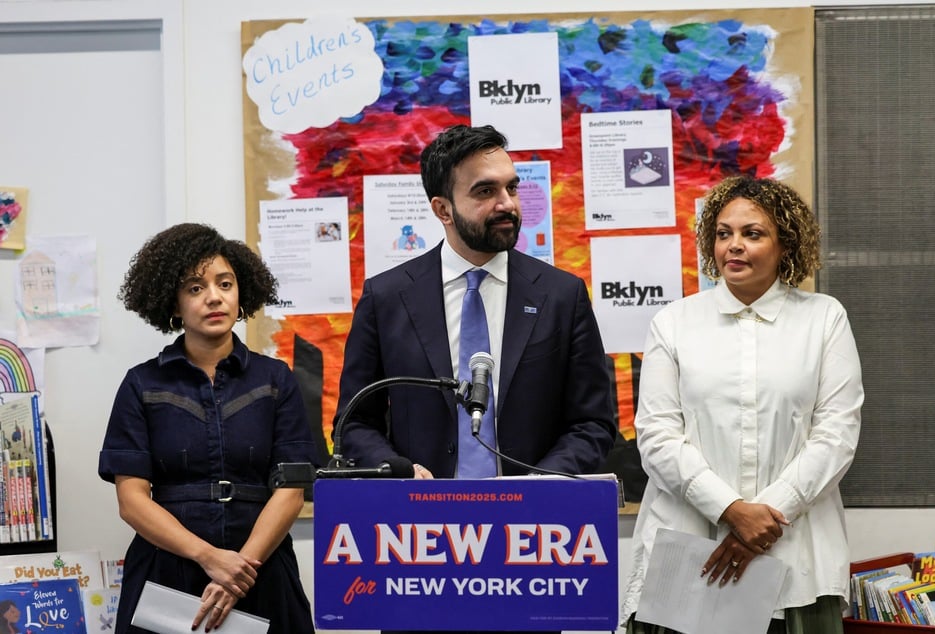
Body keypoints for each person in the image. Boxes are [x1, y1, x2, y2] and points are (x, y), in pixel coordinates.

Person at [622, 176, 864, 634]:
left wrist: (766, 519)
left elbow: (836, 434)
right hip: (689, 546)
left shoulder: (824, 318)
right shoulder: (673, 323)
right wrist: (731, 510)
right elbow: (656, 437)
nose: (734, 246)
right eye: (723, 233)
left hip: (794, 550)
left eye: (753, 234)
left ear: (785, 246)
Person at [335, 123, 615, 480]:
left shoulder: (562, 295)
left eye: (511, 187)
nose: (507, 204)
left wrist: (543, 484)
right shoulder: (387, 298)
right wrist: (400, 472)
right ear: (443, 209)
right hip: (420, 522)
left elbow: (592, 423)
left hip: (535, 522)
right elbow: (354, 422)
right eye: (485, 191)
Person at [98, 223, 318, 634]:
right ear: (173, 303)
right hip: (168, 570)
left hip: (261, 567)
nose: (214, 296)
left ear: (241, 293)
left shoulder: (275, 380)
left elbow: (290, 492)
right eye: (195, 288)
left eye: (225, 283)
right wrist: (209, 557)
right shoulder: (141, 385)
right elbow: (131, 500)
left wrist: (239, 569)